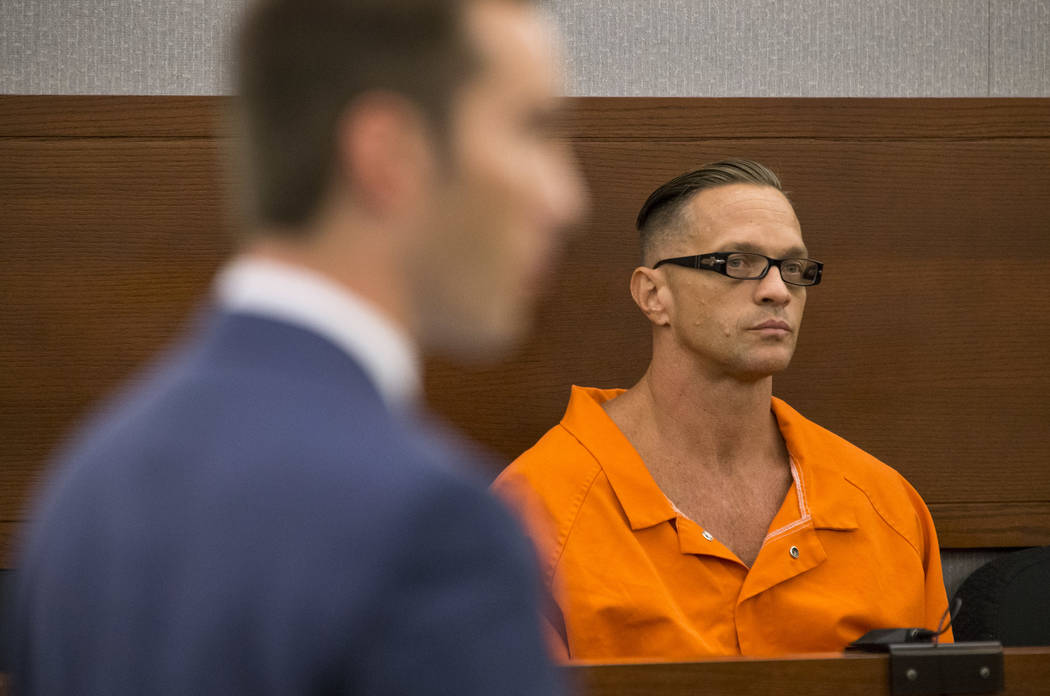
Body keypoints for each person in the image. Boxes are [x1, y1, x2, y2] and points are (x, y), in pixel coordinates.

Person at [10, 0, 584, 693]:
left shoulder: (85, 488)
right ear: (391, 154)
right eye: (533, 129)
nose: (567, 199)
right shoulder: (438, 533)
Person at [493, 159, 951, 659]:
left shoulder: (885, 507)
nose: (778, 291)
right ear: (653, 295)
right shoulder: (537, 509)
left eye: (793, 269)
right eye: (738, 262)